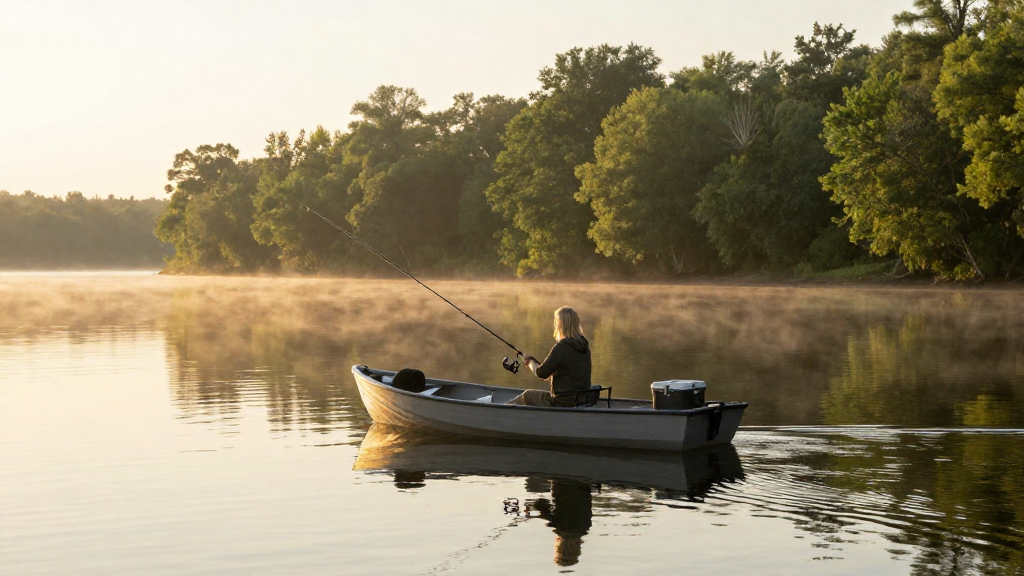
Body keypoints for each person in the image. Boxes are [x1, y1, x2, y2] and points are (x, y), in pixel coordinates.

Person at [508, 306, 592, 407]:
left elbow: (541, 373)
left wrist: (529, 362)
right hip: (581, 400)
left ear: (561, 325)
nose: (555, 325)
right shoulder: (584, 347)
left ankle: (501, 413)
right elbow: (564, 373)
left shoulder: (562, 347)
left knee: (527, 396)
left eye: (556, 322)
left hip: (563, 402)